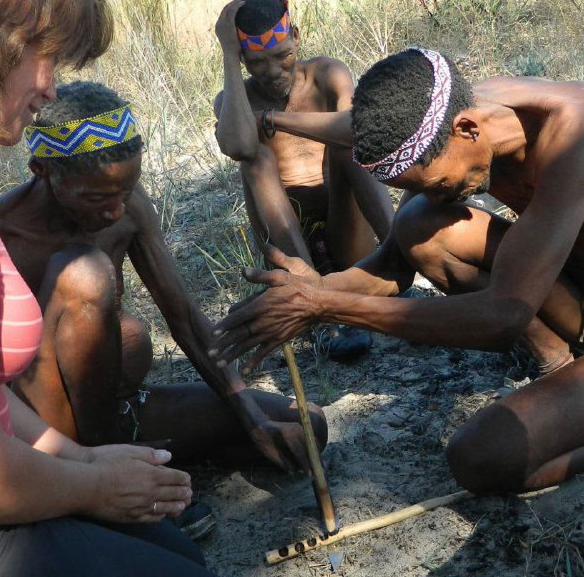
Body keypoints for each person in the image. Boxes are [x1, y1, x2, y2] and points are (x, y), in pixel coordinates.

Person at [0, 0, 216, 576]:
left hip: (1, 473)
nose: (48, 88)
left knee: (176, 549)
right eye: (46, 57)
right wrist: (94, 489)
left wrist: (84, 461)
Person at [209, 47, 584, 495]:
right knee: (418, 224)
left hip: (520, 303)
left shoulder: (572, 138)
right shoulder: (446, 113)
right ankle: (559, 365)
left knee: (483, 456)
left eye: (440, 184)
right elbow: (393, 263)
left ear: (467, 130)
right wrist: (313, 289)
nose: (444, 198)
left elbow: (503, 317)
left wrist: (326, 307)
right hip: (568, 284)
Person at [0, 80, 326, 480]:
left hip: (122, 412)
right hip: (46, 436)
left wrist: (253, 418)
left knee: (305, 428)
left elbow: (184, 318)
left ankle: (134, 464)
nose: (115, 212)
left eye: (125, 191)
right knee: (84, 271)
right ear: (41, 170)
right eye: (96, 198)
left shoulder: (128, 206)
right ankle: (103, 478)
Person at [213, 0, 394, 359]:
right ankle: (313, 306)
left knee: (346, 142)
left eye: (282, 55)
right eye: (256, 62)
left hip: (346, 230)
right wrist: (228, 55)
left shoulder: (327, 75)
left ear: (295, 37)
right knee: (256, 158)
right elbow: (238, 146)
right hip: (289, 247)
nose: (273, 70)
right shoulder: (233, 101)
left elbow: (355, 129)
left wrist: (273, 119)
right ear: (242, 59)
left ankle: (400, 256)